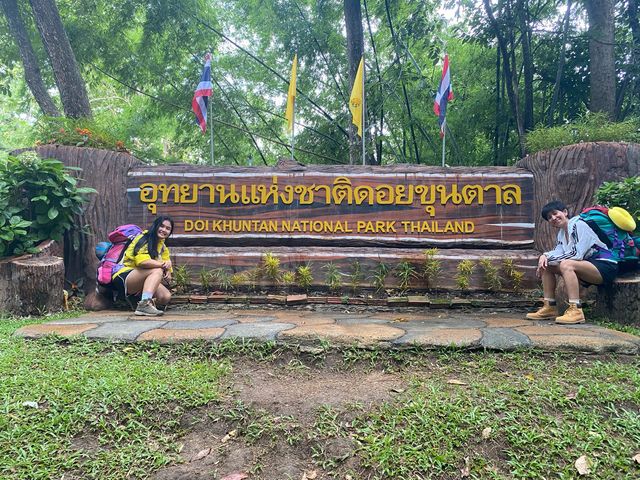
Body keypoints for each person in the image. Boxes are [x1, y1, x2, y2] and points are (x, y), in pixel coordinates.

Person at [526, 200, 618, 324]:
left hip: (605, 266)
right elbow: (558, 251)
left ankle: (576, 310)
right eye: (549, 217)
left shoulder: (578, 224)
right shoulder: (562, 233)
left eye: (555, 213)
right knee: (547, 265)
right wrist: (545, 257)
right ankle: (549, 307)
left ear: (565, 212)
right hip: (588, 267)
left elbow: (576, 254)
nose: (553, 218)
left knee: (566, 264)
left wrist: (547, 257)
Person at [112, 216, 174, 316]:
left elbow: (168, 267)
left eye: (168, 228)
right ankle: (144, 304)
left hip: (139, 278)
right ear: (155, 226)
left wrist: (168, 272)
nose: (164, 230)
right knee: (157, 270)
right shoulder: (144, 238)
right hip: (123, 276)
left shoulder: (162, 247)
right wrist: (163, 266)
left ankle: (139, 301)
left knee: (165, 297)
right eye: (161, 226)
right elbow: (142, 262)